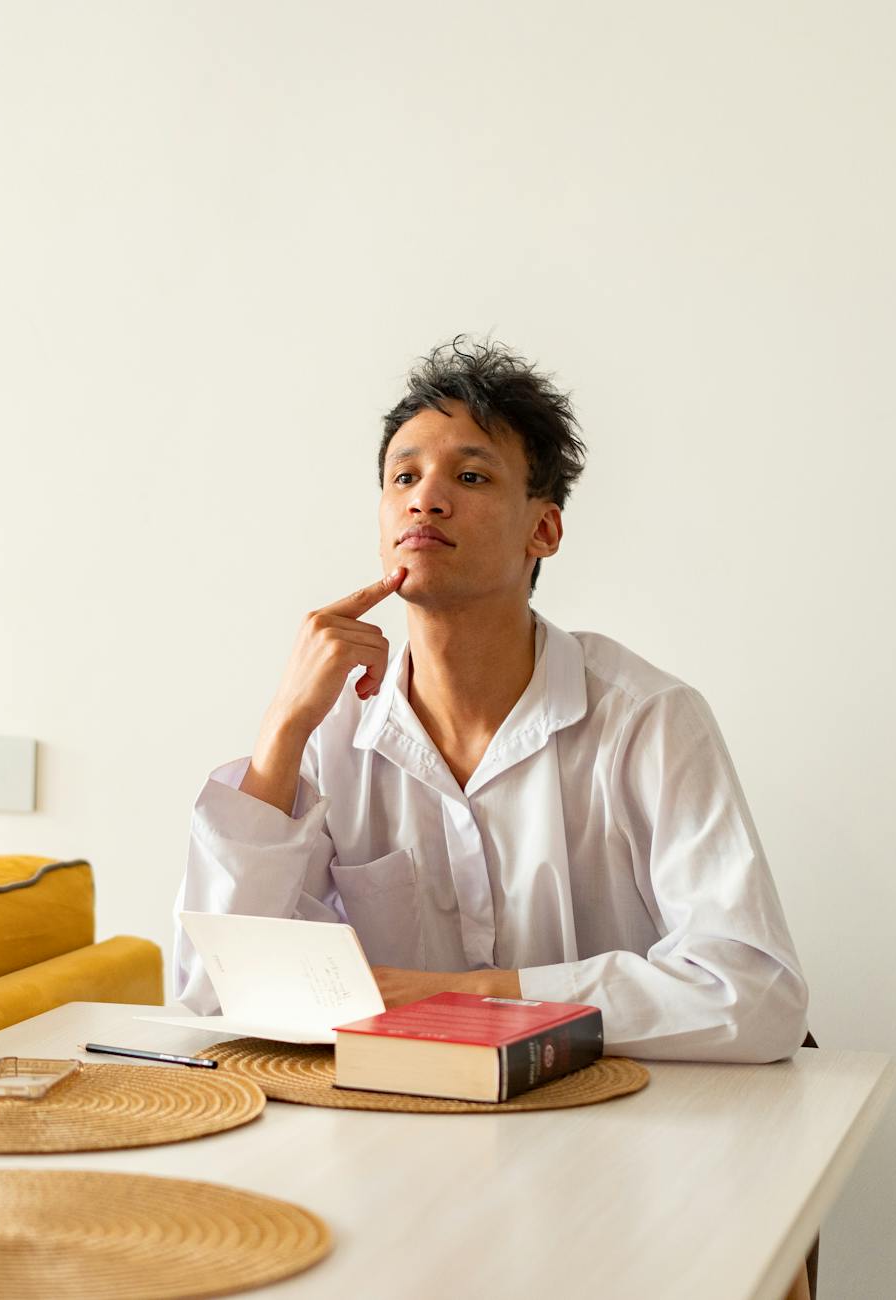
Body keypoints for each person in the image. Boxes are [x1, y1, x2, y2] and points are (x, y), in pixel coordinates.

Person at [172, 333, 810, 1067]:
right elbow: (212, 996)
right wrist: (281, 731)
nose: (426, 500)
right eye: (402, 477)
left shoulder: (647, 720)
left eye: (470, 479)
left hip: (619, 1135)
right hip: (387, 1128)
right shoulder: (327, 732)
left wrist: (476, 998)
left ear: (543, 529)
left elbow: (757, 995)